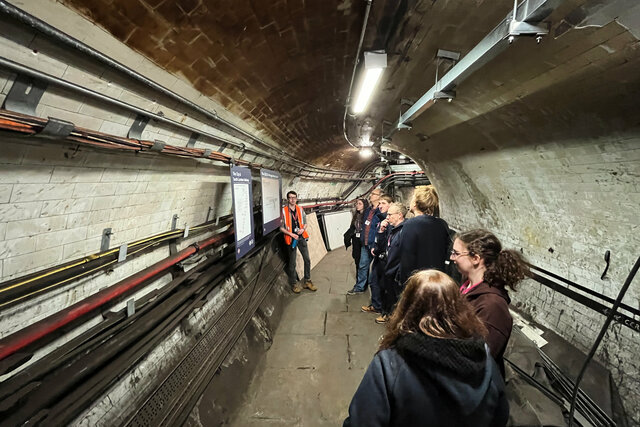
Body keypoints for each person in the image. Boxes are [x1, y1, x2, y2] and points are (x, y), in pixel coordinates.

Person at [344, 270, 509, 427]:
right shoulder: (484, 359)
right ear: (459, 307)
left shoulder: (390, 364)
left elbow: (363, 420)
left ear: (407, 306)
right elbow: (500, 416)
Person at [451, 229, 530, 376]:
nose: (452, 257)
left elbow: (478, 361)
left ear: (476, 258)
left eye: (456, 253)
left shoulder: (492, 306)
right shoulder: (467, 284)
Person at [399, 185, 450, 285]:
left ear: (415, 204)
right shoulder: (442, 224)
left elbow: (406, 259)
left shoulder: (410, 225)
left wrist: (404, 283)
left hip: (418, 281)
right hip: (438, 279)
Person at [375, 202, 407, 324]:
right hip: (388, 268)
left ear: (399, 215)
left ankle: (394, 321)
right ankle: (388, 315)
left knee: (396, 298)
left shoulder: (404, 231)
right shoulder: (392, 229)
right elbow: (381, 247)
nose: (387, 217)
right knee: (387, 293)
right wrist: (381, 232)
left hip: (395, 272)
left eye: (390, 214)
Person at [279, 190, 317, 293]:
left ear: (296, 199)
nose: (292, 200)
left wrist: (303, 229)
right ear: (288, 199)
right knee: (292, 263)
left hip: (301, 237)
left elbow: (305, 223)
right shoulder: (283, 211)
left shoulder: (300, 210)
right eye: (290, 198)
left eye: (294, 197)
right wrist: (291, 234)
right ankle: (294, 284)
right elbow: (281, 228)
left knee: (307, 260)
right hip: (291, 239)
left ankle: (307, 281)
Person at [360, 194, 392, 314]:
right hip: (379, 254)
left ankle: (385, 311)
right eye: (380, 203)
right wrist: (374, 246)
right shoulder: (381, 218)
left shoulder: (390, 222)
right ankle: (376, 306)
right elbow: (379, 236)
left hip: (386, 258)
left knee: (383, 285)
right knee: (374, 282)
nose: (380, 206)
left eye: (383, 203)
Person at [348, 188, 382, 295]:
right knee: (362, 266)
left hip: (376, 245)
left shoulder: (381, 211)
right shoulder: (368, 210)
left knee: (378, 270)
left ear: (379, 197)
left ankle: (379, 293)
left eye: (373, 194)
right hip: (365, 243)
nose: (371, 195)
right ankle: (360, 287)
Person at [343, 198, 368, 273]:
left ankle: (364, 279)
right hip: (356, 239)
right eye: (357, 204)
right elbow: (353, 227)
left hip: (363, 239)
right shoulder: (356, 215)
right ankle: (359, 277)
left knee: (363, 261)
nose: (357, 205)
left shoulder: (366, 216)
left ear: (364, 205)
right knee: (356, 258)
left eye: (360, 204)